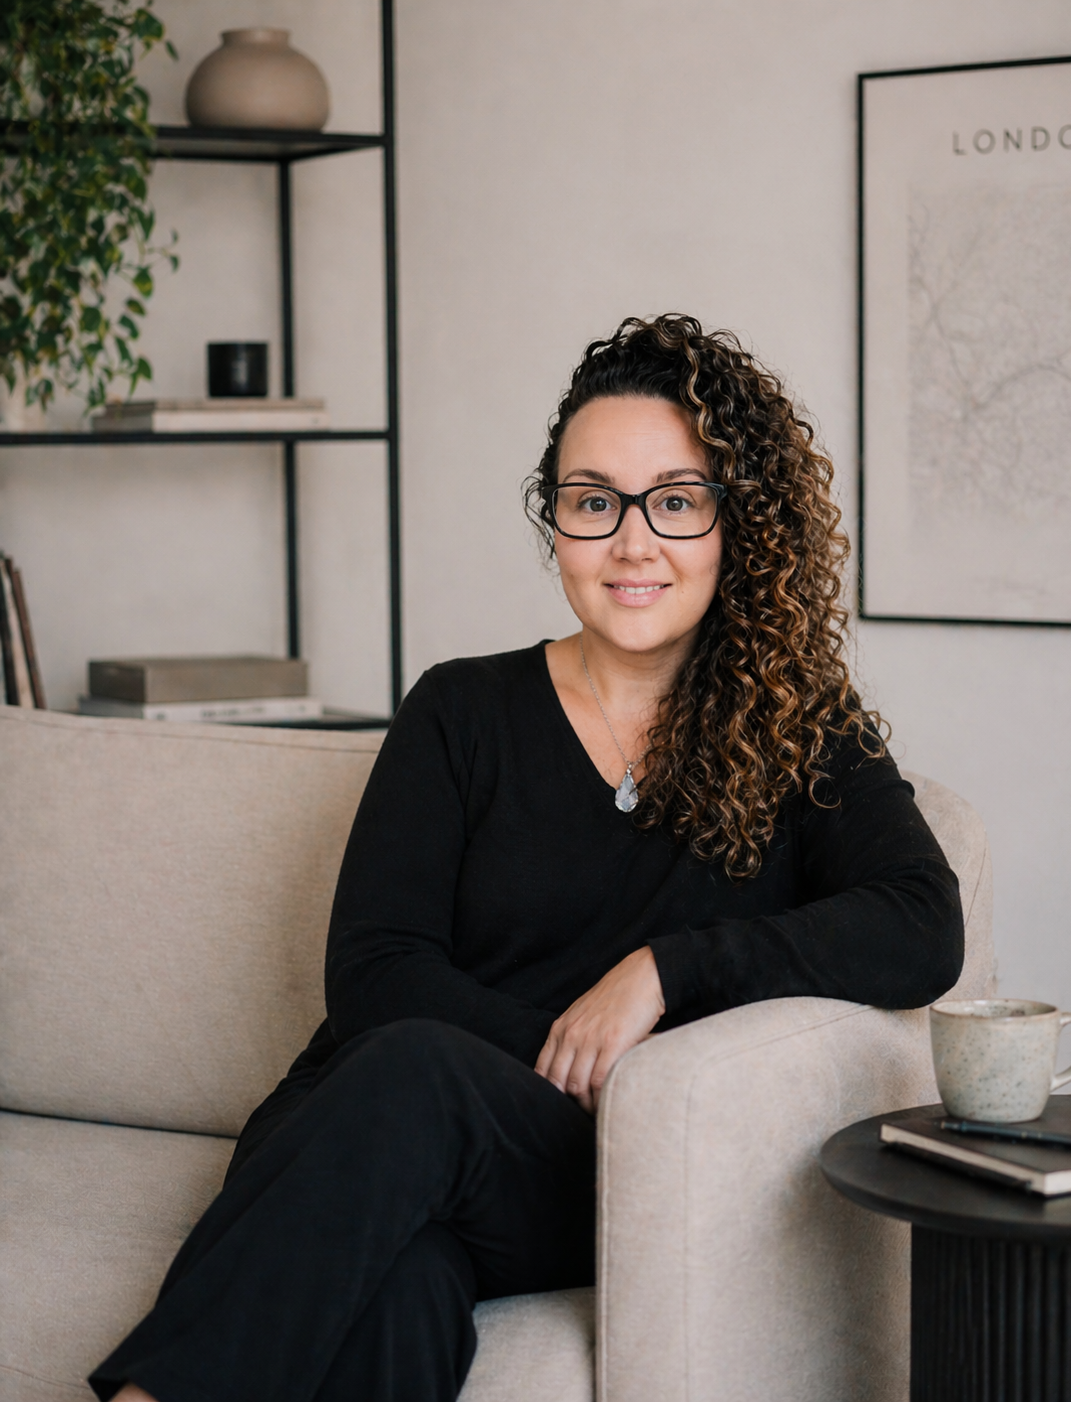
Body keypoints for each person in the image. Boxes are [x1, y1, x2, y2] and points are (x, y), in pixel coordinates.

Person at [90, 314, 963, 1402]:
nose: (631, 542)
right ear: (555, 523)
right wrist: (561, 1054)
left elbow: (922, 921)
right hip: (366, 1142)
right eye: (593, 501)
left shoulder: (803, 729)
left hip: (588, 1174)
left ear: (739, 526)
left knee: (413, 1074)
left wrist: (661, 975)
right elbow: (375, 972)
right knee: (400, 1291)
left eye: (676, 501)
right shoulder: (461, 709)